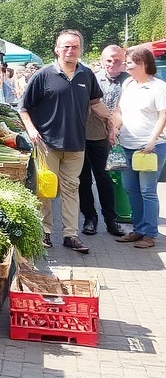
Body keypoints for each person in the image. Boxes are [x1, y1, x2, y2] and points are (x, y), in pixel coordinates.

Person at [19, 29, 114, 254]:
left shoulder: (86, 74)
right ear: (57, 49)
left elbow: (95, 103)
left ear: (81, 49)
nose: (70, 51)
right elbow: (23, 108)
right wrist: (31, 130)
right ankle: (45, 232)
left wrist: (111, 119)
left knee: (72, 190)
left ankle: (71, 235)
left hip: (76, 144)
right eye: (66, 47)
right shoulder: (43, 75)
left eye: (75, 47)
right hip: (47, 144)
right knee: (45, 190)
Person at [113, 47, 166, 249]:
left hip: (150, 148)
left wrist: (152, 140)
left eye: (130, 63)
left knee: (147, 191)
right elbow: (119, 110)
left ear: (142, 64)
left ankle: (150, 234)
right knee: (131, 189)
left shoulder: (159, 87)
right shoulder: (128, 84)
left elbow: (163, 115)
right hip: (127, 145)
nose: (126, 66)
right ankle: (138, 229)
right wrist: (115, 127)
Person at [79, 45, 127, 237]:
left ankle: (110, 220)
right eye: (108, 60)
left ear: (123, 61)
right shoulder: (90, 77)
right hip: (83, 136)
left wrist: (113, 129)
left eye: (117, 60)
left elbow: (120, 110)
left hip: (104, 138)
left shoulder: (129, 82)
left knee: (105, 180)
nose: (112, 64)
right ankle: (90, 218)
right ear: (101, 60)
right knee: (83, 180)